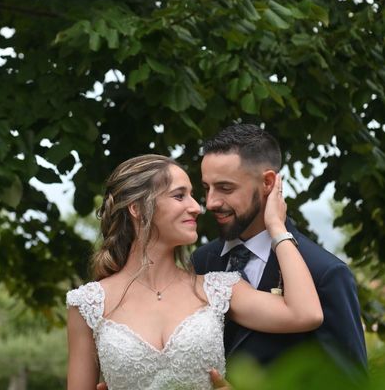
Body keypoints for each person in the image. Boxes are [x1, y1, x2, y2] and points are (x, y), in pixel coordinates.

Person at [66, 154, 323, 390]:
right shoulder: (88, 304)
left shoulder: (218, 289)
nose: (197, 207)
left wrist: (277, 228)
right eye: (179, 196)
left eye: (192, 195)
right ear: (137, 208)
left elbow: (306, 313)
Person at [192, 123, 367, 374]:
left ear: (268, 182)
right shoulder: (202, 260)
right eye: (207, 188)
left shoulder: (324, 273)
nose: (210, 203)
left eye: (225, 188)